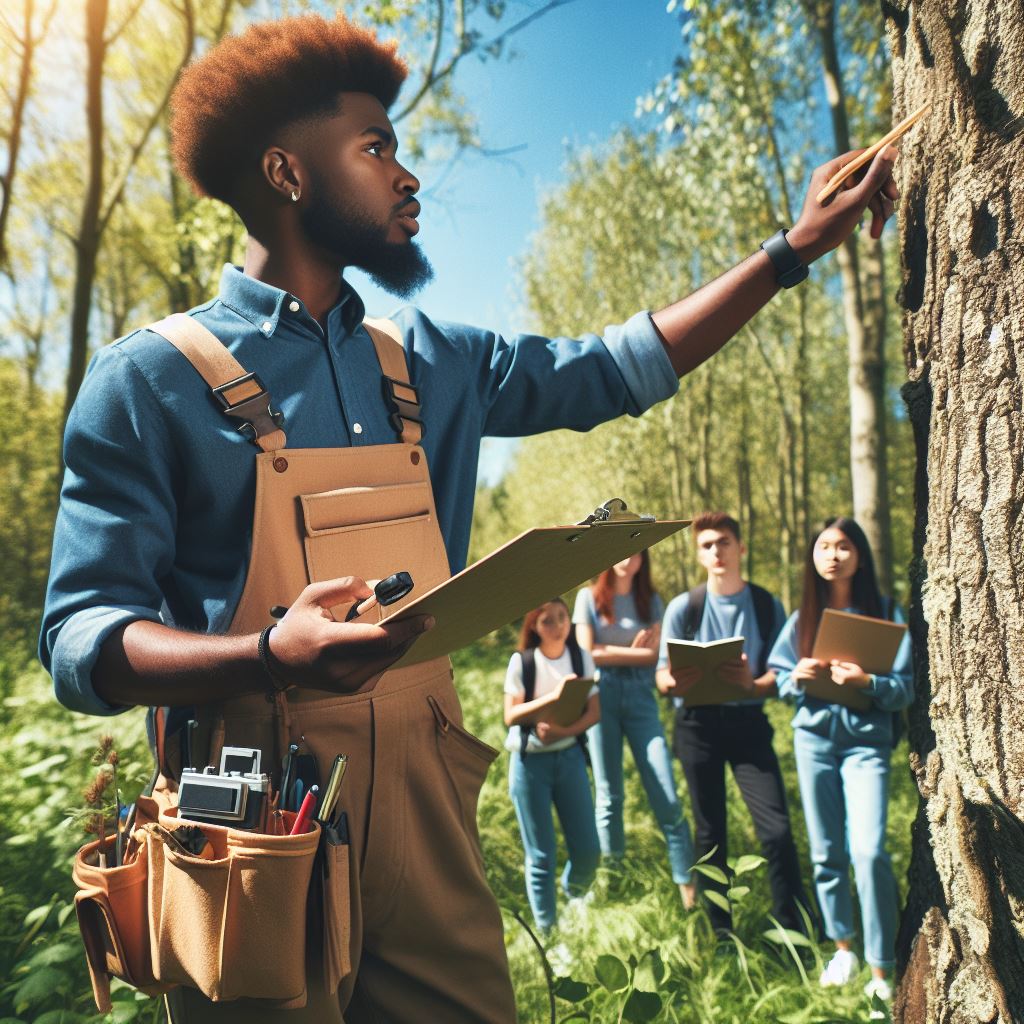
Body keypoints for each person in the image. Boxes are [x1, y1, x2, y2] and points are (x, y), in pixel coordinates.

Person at [39, 11, 899, 1021]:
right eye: (375, 147)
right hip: (252, 823)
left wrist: (790, 251)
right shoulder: (147, 380)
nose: (406, 176)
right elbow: (80, 638)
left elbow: (617, 366)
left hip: (428, 809)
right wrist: (272, 652)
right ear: (286, 174)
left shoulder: (433, 362)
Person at [767, 517, 912, 1009]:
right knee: (827, 852)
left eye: (843, 546)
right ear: (813, 557)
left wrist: (866, 683)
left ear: (862, 556)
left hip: (865, 747)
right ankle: (843, 948)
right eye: (824, 546)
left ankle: (882, 969)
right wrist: (800, 675)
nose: (833, 554)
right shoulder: (803, 619)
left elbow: (904, 689)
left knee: (868, 852)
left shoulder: (887, 614)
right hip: (813, 745)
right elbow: (779, 677)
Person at [656, 511, 810, 936]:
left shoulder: (765, 605)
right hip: (695, 728)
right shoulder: (682, 607)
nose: (716, 551)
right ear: (698, 554)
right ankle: (721, 932)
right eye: (706, 544)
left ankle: (791, 928)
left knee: (776, 830)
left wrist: (752, 683)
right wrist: (674, 681)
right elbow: (661, 675)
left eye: (723, 542)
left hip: (748, 726)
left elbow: (783, 674)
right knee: (710, 834)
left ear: (740, 548)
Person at [573, 552, 696, 908]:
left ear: (643, 559)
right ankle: (614, 882)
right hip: (602, 698)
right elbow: (586, 654)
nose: (628, 558)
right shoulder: (588, 599)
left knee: (668, 795)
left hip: (642, 700)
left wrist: (609, 650)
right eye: (621, 552)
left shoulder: (651, 601)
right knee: (609, 796)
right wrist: (634, 652)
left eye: (636, 552)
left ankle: (687, 889)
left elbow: (654, 655)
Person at [504, 599, 601, 934]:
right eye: (548, 620)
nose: (558, 626)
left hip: (570, 757)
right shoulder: (524, 663)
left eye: (563, 618)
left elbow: (593, 712)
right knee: (541, 857)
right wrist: (554, 699)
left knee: (588, 850)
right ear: (534, 625)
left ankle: (574, 896)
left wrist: (563, 731)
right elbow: (511, 715)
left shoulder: (580, 658)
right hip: (530, 765)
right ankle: (549, 933)